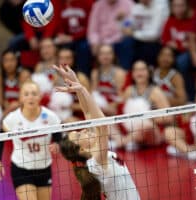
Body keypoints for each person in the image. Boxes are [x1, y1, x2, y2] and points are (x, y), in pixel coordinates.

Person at [53, 64, 141, 200]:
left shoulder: (95, 153)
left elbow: (88, 111)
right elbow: (103, 124)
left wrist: (76, 83)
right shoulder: (96, 162)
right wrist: (82, 89)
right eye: (79, 135)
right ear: (81, 149)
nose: (83, 130)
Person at [0, 80, 62, 200]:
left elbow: (58, 135)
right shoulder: (12, 118)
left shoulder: (50, 117)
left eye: (34, 93)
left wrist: (57, 144)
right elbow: (0, 138)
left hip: (44, 168)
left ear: (40, 96)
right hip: (21, 169)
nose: (30, 97)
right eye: (26, 94)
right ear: (20, 98)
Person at [112, 61, 172, 150]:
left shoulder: (155, 91)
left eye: (142, 69)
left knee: (145, 126)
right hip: (131, 128)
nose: (139, 73)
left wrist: (149, 117)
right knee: (107, 122)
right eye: (136, 70)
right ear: (132, 74)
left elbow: (169, 117)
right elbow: (121, 111)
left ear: (148, 72)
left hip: (152, 132)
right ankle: (130, 141)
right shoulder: (129, 90)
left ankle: (120, 143)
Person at [120, 0, 169, 69]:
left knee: (147, 48)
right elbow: (131, 22)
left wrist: (133, 33)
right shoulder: (137, 6)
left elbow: (155, 34)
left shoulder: (161, 6)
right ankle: (126, 72)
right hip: (140, 39)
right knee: (126, 42)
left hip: (155, 41)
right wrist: (123, 21)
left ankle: (148, 72)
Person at [55, 0, 94, 76]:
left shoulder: (87, 2)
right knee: (55, 46)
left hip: (83, 37)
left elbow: (90, 26)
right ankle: (58, 76)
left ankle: (83, 76)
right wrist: (61, 34)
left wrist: (73, 37)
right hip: (66, 37)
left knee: (84, 47)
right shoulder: (59, 3)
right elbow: (57, 22)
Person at [91, 44, 126, 116]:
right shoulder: (95, 73)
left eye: (108, 53)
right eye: (102, 54)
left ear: (113, 56)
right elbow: (93, 93)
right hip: (100, 108)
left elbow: (122, 97)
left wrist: (108, 107)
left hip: (114, 108)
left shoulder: (119, 73)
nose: (105, 56)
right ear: (98, 56)